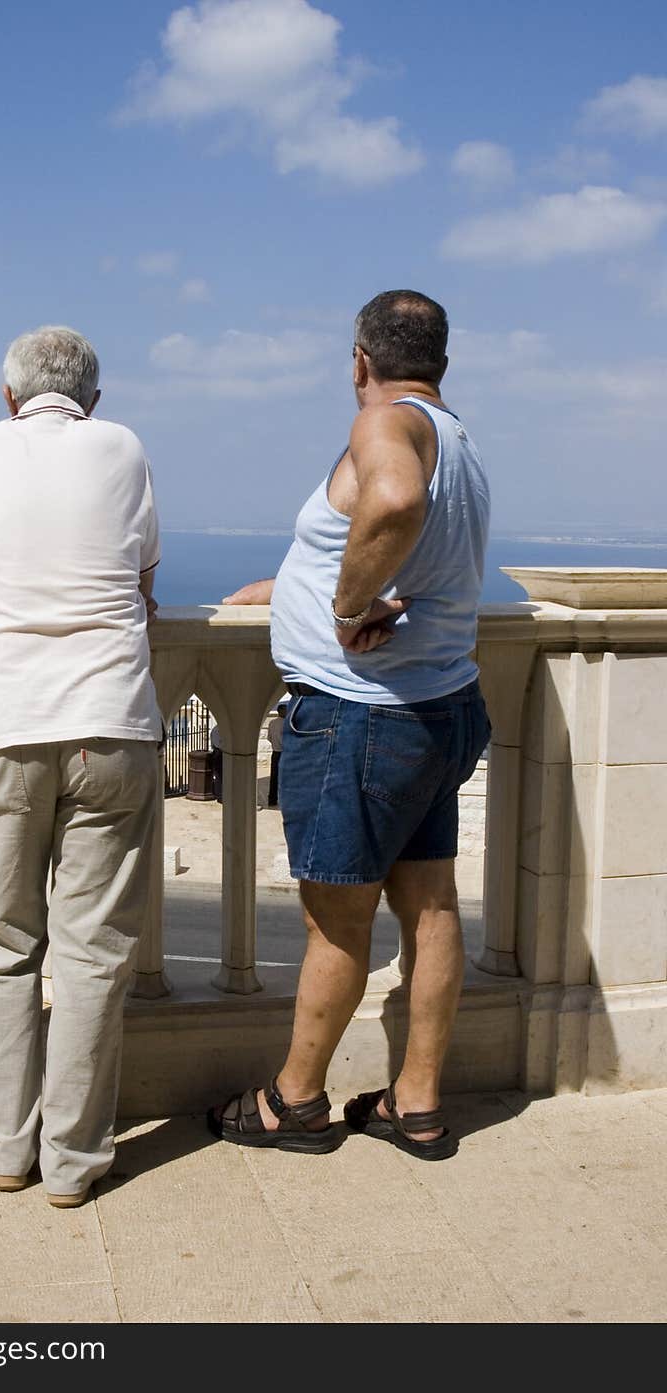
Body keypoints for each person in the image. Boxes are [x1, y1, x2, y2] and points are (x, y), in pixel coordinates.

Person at [209, 290, 491, 1160]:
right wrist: (290, 582)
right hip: (436, 706)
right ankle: (417, 1105)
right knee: (432, 905)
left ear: (361, 359)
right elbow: (383, 528)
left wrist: (343, 604)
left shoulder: (386, 426)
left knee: (337, 919)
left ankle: (293, 1102)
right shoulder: (461, 440)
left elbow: (394, 503)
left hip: (361, 718)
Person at [0, 325, 162, 1206]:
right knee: (94, 953)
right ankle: (73, 1161)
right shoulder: (124, 447)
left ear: (9, 396)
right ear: (94, 401)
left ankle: (3, 1149)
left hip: (4, 725)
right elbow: (142, 579)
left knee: (4, 943)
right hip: (109, 723)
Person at [266, 701, 287, 807]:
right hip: (285, 753)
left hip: (275, 752)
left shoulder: (272, 723)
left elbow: (268, 737)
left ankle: (272, 799)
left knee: (274, 777)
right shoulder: (286, 723)